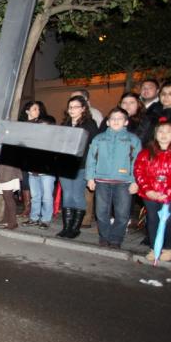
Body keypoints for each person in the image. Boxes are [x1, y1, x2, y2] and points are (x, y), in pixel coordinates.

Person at [134, 120, 171, 262]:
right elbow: (139, 172)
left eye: (168, 132)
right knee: (153, 220)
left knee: (170, 220)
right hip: (150, 194)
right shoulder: (146, 153)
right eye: (160, 131)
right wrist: (148, 190)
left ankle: (169, 247)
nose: (163, 135)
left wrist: (168, 193)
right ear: (155, 134)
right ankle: (155, 247)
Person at [85, 108, 142, 248]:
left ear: (126, 122)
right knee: (101, 212)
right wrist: (90, 178)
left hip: (124, 182)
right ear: (108, 122)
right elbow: (91, 159)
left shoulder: (133, 140)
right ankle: (104, 237)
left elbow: (138, 162)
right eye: (113, 118)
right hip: (102, 181)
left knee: (122, 213)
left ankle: (116, 239)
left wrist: (135, 181)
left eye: (120, 118)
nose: (116, 121)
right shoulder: (99, 138)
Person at [57, 95, 99, 239]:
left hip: (81, 166)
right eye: (70, 107)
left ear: (83, 109)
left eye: (76, 107)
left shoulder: (89, 124)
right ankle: (66, 227)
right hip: (65, 165)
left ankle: (75, 228)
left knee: (77, 195)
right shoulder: (65, 124)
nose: (72, 109)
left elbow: (95, 146)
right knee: (67, 195)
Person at [22, 118, 56, 229]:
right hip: (33, 173)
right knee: (35, 197)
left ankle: (45, 220)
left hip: (47, 174)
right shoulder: (34, 140)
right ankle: (34, 218)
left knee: (46, 197)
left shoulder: (53, 142)